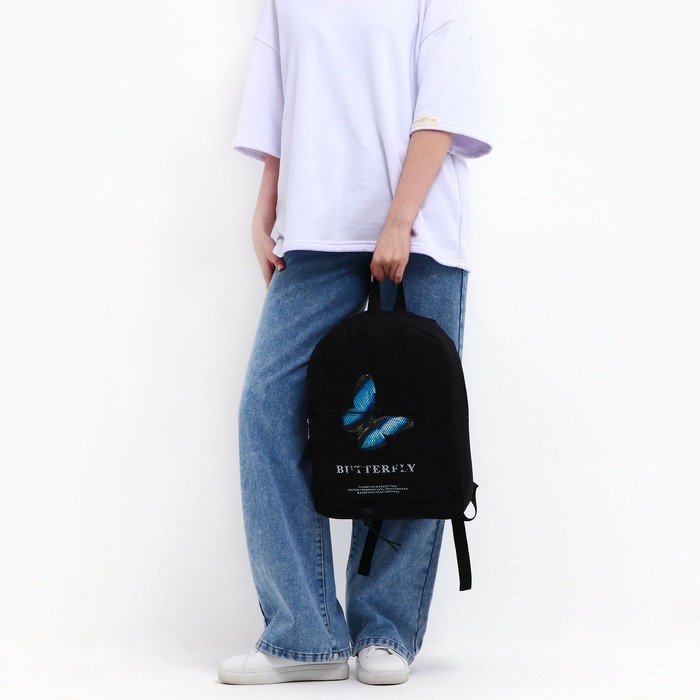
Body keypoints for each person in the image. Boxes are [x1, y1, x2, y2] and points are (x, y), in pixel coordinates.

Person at [218, 0, 491, 686]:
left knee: (407, 428)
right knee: (265, 410)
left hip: (420, 228)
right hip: (316, 227)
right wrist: (264, 208)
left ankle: (386, 631)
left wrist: (398, 219)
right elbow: (281, 98)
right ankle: (303, 635)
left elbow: (443, 106)